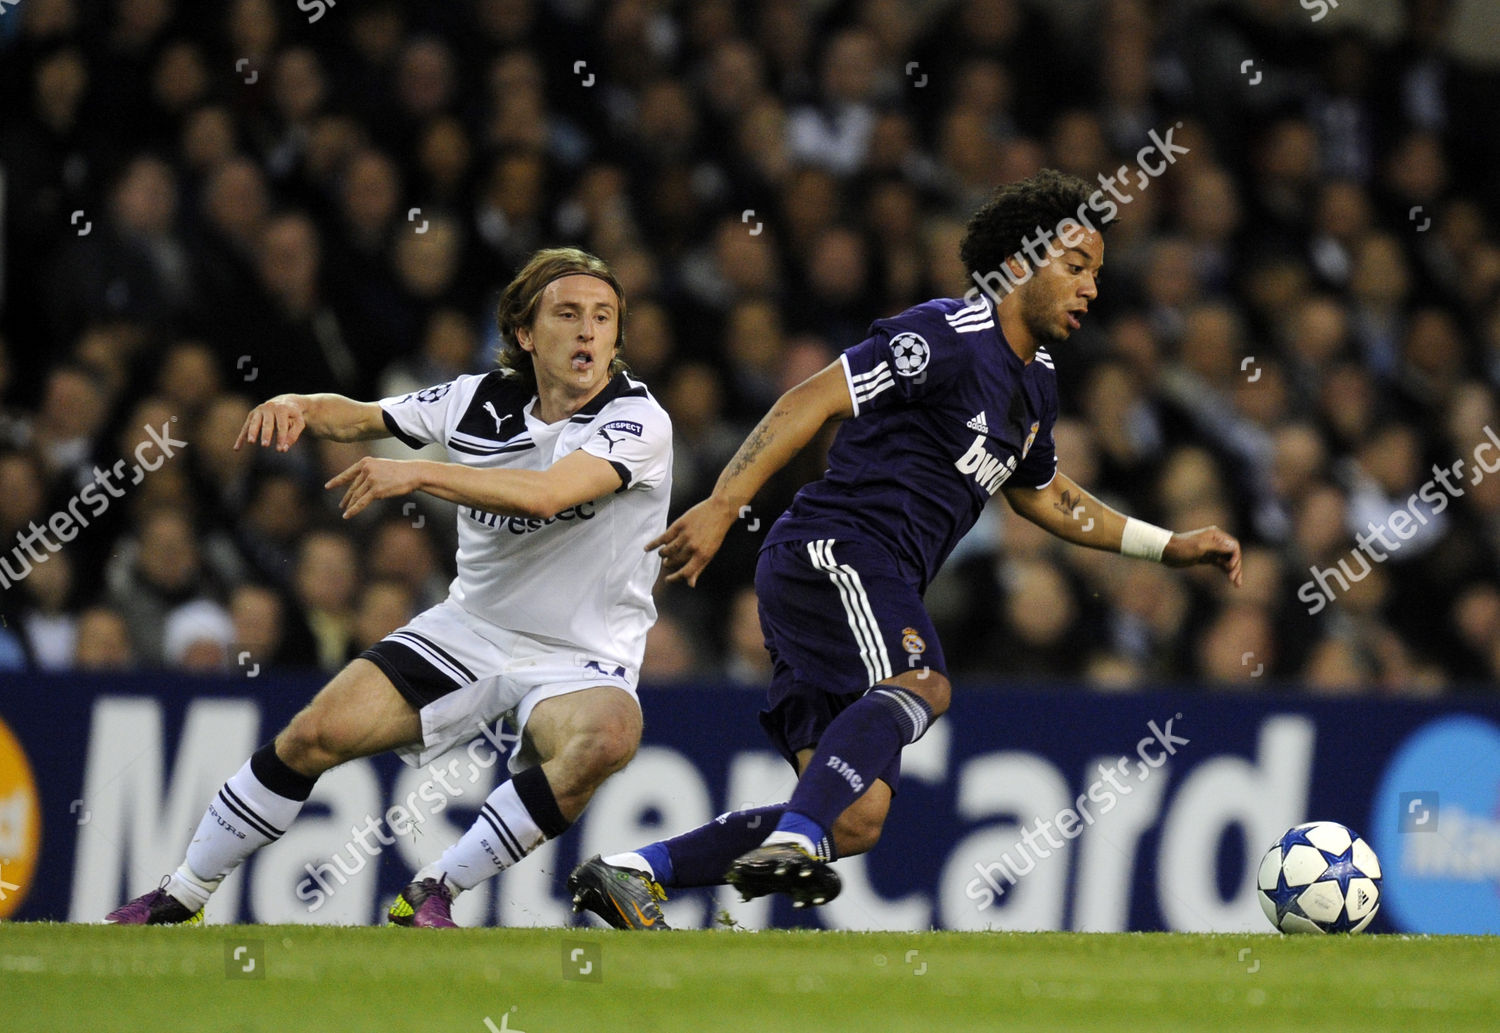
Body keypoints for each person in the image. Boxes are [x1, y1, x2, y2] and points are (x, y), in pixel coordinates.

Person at [565, 170, 1241, 930]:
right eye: (1076, 267)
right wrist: (725, 502)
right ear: (1019, 263)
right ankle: (792, 837)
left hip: (856, 575)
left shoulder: (1036, 386)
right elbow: (811, 399)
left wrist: (1170, 545)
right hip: (836, 548)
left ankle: (633, 872)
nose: (1090, 290)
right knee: (923, 679)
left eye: (1097, 275)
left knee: (856, 817)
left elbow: (1048, 496)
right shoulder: (946, 337)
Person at [107, 247, 672, 928]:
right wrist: (302, 404)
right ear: (525, 332)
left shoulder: (639, 420)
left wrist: (419, 474)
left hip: (582, 652)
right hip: (474, 628)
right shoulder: (476, 399)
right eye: (569, 313)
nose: (588, 331)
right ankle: (184, 893)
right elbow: (364, 416)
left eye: (603, 317)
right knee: (314, 734)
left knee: (610, 734)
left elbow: (548, 495)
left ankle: (434, 888)